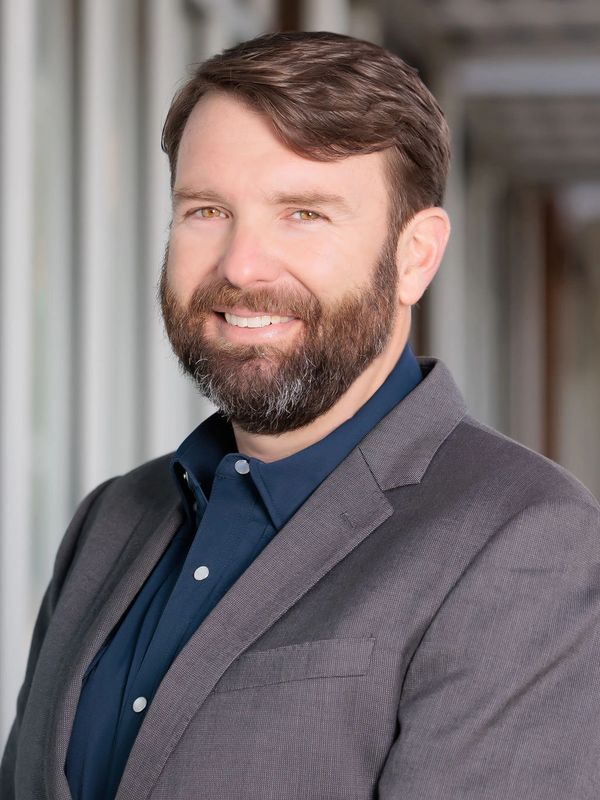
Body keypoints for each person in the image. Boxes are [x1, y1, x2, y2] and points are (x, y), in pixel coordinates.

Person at [2, 29, 600, 800]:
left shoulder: (525, 541)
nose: (241, 265)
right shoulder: (112, 521)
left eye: (304, 214)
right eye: (207, 210)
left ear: (414, 256)